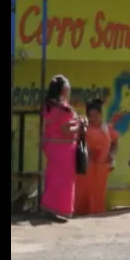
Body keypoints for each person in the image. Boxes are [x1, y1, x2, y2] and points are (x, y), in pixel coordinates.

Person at [41, 75, 86, 221]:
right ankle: (59, 210)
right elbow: (66, 129)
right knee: (63, 180)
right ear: (64, 89)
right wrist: (80, 125)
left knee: (53, 177)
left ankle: (49, 207)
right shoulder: (62, 107)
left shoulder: (49, 105)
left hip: (51, 145)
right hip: (63, 147)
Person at [74, 99, 119, 216]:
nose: (93, 117)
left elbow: (115, 141)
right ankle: (80, 214)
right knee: (83, 192)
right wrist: (88, 152)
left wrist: (112, 155)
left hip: (102, 168)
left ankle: (97, 214)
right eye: (91, 115)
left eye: (96, 114)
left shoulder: (107, 128)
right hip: (87, 167)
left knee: (99, 193)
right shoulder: (84, 129)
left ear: (100, 114)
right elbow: (78, 144)